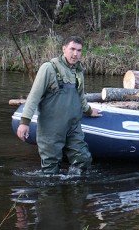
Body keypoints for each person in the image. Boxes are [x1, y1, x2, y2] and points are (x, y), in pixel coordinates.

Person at [16, 36, 102, 174]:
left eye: (79, 50)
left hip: (73, 126)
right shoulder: (49, 68)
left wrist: (89, 110)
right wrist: (24, 122)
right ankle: (53, 190)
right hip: (51, 128)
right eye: (72, 49)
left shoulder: (78, 71)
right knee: (50, 170)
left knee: (83, 160)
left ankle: (72, 186)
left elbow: (80, 96)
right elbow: (34, 97)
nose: (75, 54)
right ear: (64, 49)